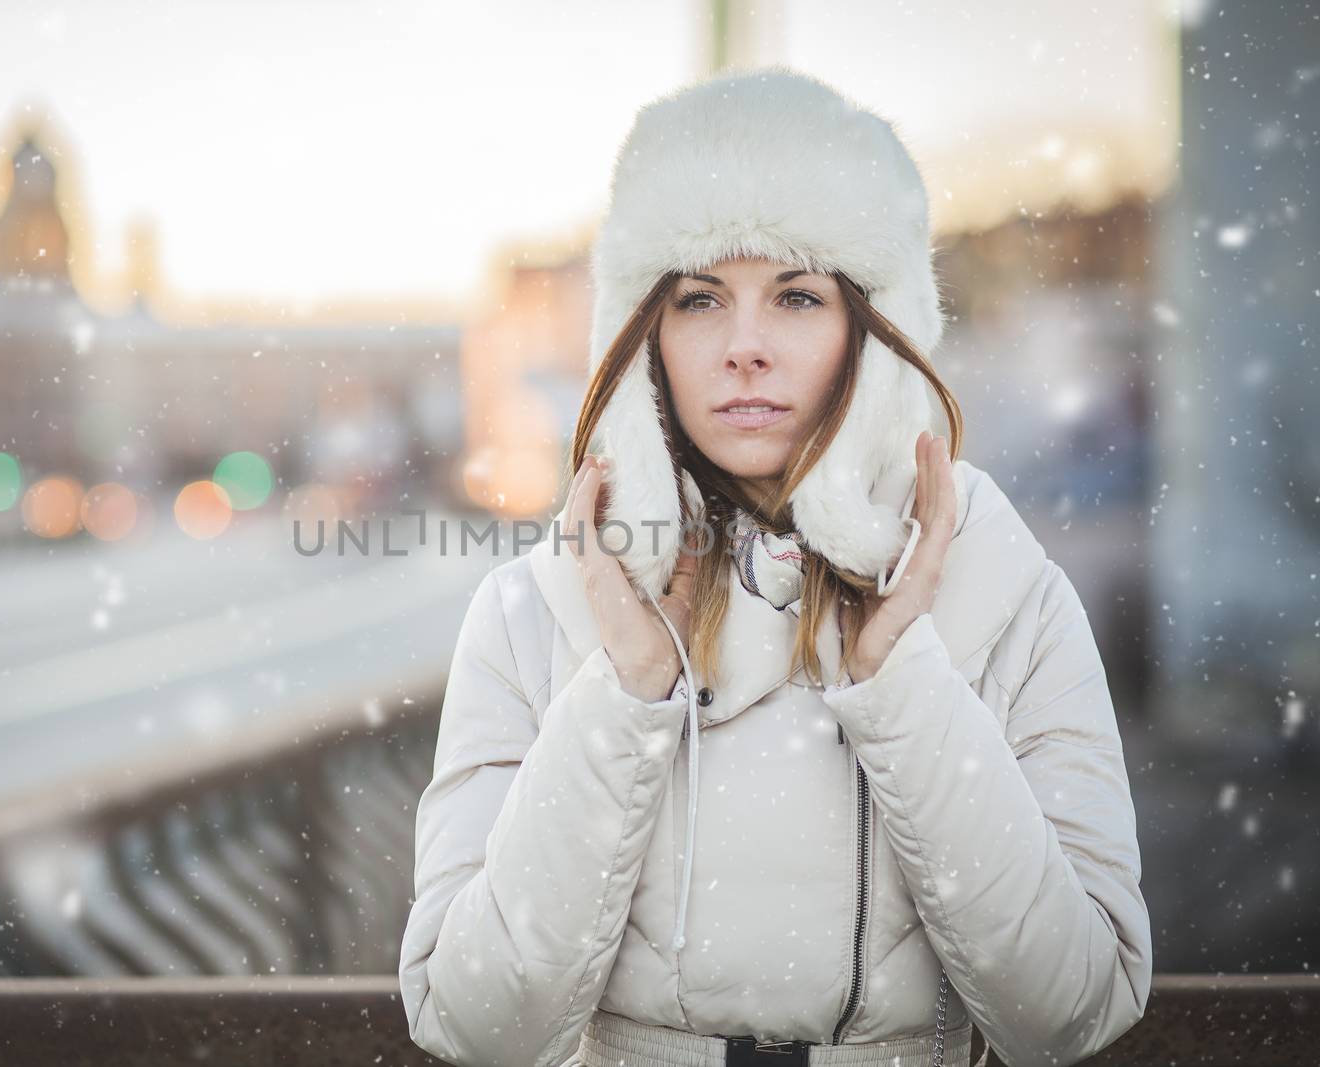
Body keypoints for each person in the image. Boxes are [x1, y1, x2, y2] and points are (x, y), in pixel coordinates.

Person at [399, 66, 1151, 1067]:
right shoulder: (534, 614)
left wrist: (899, 684)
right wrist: (624, 694)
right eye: (701, 297)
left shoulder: (1006, 595)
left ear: (870, 331)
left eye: (797, 295)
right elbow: (473, 1023)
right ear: (642, 337)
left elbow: (1073, 1011)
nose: (745, 347)